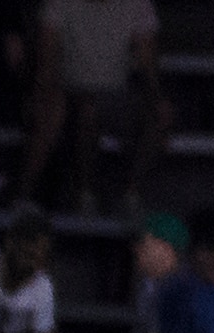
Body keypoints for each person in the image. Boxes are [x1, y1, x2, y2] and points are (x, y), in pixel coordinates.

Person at [22, 0, 171, 210]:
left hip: (119, 94)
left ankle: (131, 193)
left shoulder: (137, 4)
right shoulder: (59, 3)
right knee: (86, 110)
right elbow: (47, 60)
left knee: (160, 116)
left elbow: (147, 61)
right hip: (69, 93)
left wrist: (156, 99)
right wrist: (42, 96)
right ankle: (83, 193)